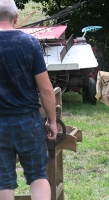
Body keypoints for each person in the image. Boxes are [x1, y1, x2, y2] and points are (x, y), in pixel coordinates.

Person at [0, 0, 58, 199]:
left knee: (2, 181)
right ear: (16, 18)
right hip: (28, 122)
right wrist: (51, 121)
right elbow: (46, 89)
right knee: (37, 176)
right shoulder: (29, 43)